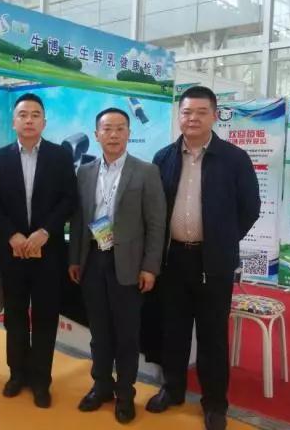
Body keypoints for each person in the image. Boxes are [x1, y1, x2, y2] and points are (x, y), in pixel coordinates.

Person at [146, 86, 260, 430]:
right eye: (186, 112)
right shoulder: (164, 157)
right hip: (173, 260)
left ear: (214, 115)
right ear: (179, 116)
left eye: (200, 112)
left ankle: (214, 404)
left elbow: (250, 208)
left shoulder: (234, 159)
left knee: (212, 336)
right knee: (173, 330)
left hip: (214, 263)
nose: (192, 118)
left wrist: (222, 242)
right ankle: (173, 390)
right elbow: (154, 210)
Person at [68, 108, 166, 424]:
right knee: (99, 332)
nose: (113, 134)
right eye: (107, 129)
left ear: (128, 133)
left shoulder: (146, 171)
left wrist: (150, 267)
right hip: (93, 259)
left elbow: (156, 223)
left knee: (127, 335)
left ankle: (125, 393)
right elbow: (79, 219)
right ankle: (101, 386)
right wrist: (75, 259)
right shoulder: (85, 172)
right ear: (96, 134)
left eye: (120, 128)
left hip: (129, 264)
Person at [0, 93, 77, 408]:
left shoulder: (60, 156)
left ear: (44, 122)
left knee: (46, 317)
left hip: (48, 253)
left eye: (35, 114)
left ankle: (41, 380)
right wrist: (11, 235)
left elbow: (69, 199)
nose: (29, 120)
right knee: (15, 315)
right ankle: (17, 374)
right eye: (23, 114)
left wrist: (45, 232)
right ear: (14, 122)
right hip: (12, 252)